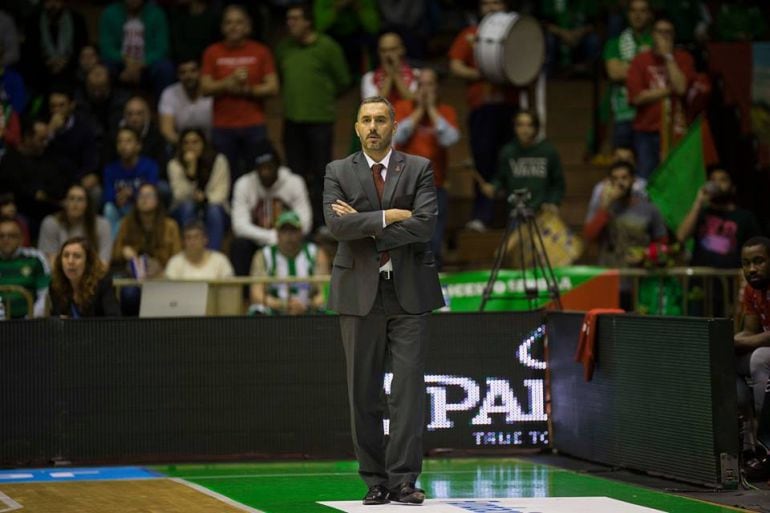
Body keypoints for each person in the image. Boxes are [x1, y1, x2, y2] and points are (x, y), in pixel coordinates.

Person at [323, 96, 444, 505]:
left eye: (380, 120)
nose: (373, 127)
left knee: (407, 391)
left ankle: (404, 480)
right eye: (366, 120)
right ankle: (374, 480)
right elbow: (338, 226)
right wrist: (391, 216)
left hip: (409, 292)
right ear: (356, 128)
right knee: (363, 393)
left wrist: (367, 226)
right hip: (359, 294)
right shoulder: (337, 170)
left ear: (394, 126)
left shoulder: (420, 167)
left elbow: (425, 225)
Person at [276, 3, 350, 232]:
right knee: (294, 175)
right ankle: (298, 222)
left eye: (296, 19)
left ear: (309, 22)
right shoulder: (284, 48)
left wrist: (323, 99)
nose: (291, 23)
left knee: (321, 174)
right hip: (292, 120)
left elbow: (343, 81)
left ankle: (322, 222)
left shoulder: (328, 47)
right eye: (288, 19)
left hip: (319, 119)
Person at [448, 0, 518, 231]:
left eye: (496, 2)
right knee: (483, 161)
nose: (491, 8)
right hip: (482, 109)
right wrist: (482, 73)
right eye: (486, 3)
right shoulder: (470, 34)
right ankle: (482, 215)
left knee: (511, 162)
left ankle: (514, 216)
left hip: (511, 108)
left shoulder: (516, 33)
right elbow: (455, 65)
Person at [201, 4, 278, 182]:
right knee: (225, 176)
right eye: (228, 23)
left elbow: (273, 87)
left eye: (238, 22)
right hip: (223, 126)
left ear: (248, 26)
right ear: (222, 27)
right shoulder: (212, 52)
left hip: (254, 124)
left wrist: (247, 90)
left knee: (258, 174)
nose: (233, 26)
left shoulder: (261, 51)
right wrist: (228, 83)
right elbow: (205, 88)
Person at [393, 68, 459, 269]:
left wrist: (431, 110)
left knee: (434, 239)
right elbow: (397, 137)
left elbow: (450, 138)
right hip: (405, 186)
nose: (424, 89)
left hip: (434, 185)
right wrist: (419, 111)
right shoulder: (402, 107)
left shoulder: (446, 111)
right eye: (420, 84)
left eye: (429, 84)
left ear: (437, 88)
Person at [582, 160, 667, 308]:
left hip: (639, 284)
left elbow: (663, 245)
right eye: (615, 179)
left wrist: (646, 255)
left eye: (624, 178)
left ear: (633, 180)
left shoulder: (649, 209)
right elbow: (589, 237)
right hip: (609, 284)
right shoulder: (603, 208)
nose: (620, 183)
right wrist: (605, 208)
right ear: (608, 182)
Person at [627, 15, 696, 180]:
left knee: (675, 179)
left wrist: (668, 58)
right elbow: (637, 98)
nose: (664, 36)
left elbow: (680, 87)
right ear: (652, 34)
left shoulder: (684, 58)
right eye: (660, 32)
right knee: (646, 179)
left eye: (668, 32)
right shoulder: (640, 61)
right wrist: (668, 90)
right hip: (646, 131)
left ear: (674, 35)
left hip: (676, 130)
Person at [230, 143, 311, 276]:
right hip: (257, 240)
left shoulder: (294, 182)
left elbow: (305, 223)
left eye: (269, 168)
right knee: (239, 246)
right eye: (261, 169)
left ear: (278, 167)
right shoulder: (243, 184)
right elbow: (239, 226)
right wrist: (271, 237)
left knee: (309, 240)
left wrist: (284, 236)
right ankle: (244, 294)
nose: (265, 172)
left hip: (288, 237)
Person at [111, 182, 181, 315]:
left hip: (163, 278)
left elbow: (178, 258)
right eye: (140, 195)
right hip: (134, 280)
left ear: (158, 200)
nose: (144, 199)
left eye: (149, 195)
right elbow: (114, 254)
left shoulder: (170, 226)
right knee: (129, 292)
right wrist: (125, 252)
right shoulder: (126, 223)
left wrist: (162, 269)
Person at [480, 110, 565, 215]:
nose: (525, 130)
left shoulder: (548, 151)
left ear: (536, 128)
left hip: (542, 212)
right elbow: (501, 178)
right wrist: (493, 187)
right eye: (520, 125)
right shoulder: (508, 151)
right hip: (516, 212)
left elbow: (558, 183)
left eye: (529, 125)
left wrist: (553, 202)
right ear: (515, 128)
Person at [677, 166, 762, 269]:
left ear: (733, 188)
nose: (717, 184)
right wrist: (698, 201)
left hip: (730, 281)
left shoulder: (745, 218)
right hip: (700, 281)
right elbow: (681, 237)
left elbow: (757, 252)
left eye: (723, 180)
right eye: (713, 180)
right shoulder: (701, 213)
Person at [735, 237, 770, 478]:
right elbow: (750, 330)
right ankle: (749, 448)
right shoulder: (752, 290)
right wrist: (721, 343)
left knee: (759, 359)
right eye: (746, 263)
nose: (751, 269)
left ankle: (767, 446)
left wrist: (736, 342)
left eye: (759, 261)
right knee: (723, 361)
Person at [248, 210, 328, 315]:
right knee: (257, 310)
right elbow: (256, 294)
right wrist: (284, 305)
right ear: (277, 234)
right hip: (275, 309)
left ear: (301, 232)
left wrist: (307, 305)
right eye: (284, 231)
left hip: (308, 308)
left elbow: (325, 292)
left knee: (328, 309)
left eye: (293, 230)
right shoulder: (263, 255)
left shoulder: (316, 253)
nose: (289, 236)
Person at [167, 128, 230, 250]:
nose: (191, 146)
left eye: (195, 142)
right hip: (183, 209)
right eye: (186, 143)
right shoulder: (174, 164)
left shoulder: (219, 160)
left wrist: (205, 198)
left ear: (203, 143)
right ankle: (192, 252)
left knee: (214, 210)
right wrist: (191, 171)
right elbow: (179, 195)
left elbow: (222, 193)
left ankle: (212, 256)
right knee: (188, 206)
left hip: (213, 207)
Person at [602, 0, 653, 149]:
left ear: (649, 15)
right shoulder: (614, 43)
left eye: (643, 11)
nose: (638, 15)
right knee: (623, 163)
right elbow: (615, 73)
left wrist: (628, 64)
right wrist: (643, 60)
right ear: (628, 14)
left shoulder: (657, 42)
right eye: (634, 11)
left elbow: (658, 74)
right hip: (624, 114)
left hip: (651, 115)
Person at [98, 0, 175, 95]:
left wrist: (140, 64)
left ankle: (164, 108)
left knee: (165, 68)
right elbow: (107, 49)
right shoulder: (109, 13)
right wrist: (127, 61)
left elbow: (162, 49)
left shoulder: (157, 13)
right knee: (104, 69)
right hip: (120, 64)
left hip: (148, 64)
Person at [102, 126, 160, 236]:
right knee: (108, 208)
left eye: (128, 141)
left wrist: (132, 194)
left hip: (140, 206)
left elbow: (153, 191)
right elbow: (107, 195)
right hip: (119, 208)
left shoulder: (150, 166)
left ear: (138, 145)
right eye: (120, 142)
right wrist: (117, 197)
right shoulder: (110, 169)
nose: (123, 146)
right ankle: (114, 247)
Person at [38, 184, 112, 267]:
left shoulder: (102, 225)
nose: (75, 203)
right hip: (60, 277)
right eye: (71, 198)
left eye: (80, 199)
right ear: (64, 202)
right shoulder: (51, 223)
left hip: (92, 277)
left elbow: (104, 264)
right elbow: (51, 264)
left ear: (87, 204)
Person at [46, 85, 100, 197]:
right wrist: (50, 133)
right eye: (53, 106)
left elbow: (90, 161)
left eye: (61, 105)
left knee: (95, 191)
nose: (57, 110)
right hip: (51, 180)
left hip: (77, 178)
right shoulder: (43, 127)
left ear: (71, 105)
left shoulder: (84, 129)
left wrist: (79, 180)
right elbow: (40, 157)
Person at [49, 236, 121, 318]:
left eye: (77, 256)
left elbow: (114, 319)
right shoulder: (56, 286)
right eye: (66, 255)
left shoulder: (102, 283)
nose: (70, 261)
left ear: (88, 262)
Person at [0, 217, 50, 319]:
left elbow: (44, 295)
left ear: (21, 238)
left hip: (31, 322)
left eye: (12, 236)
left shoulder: (35, 258)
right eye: (1, 236)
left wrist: (28, 320)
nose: (6, 240)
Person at [158, 59, 213, 146]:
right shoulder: (169, 93)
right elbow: (167, 131)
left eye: (193, 71)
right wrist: (187, 146)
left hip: (211, 143)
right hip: (180, 144)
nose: (188, 76)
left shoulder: (211, 91)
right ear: (177, 75)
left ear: (200, 72)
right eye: (183, 72)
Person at [165, 220, 233, 280]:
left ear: (205, 239)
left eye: (196, 237)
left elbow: (229, 291)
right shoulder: (175, 262)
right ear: (183, 242)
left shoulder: (220, 261)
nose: (192, 241)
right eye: (188, 238)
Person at [361, 32, 417, 103]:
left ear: (402, 50)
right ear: (378, 52)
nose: (388, 54)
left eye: (393, 49)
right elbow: (373, 107)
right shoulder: (369, 78)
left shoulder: (417, 74)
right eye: (383, 50)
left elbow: (414, 103)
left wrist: (396, 74)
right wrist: (389, 76)